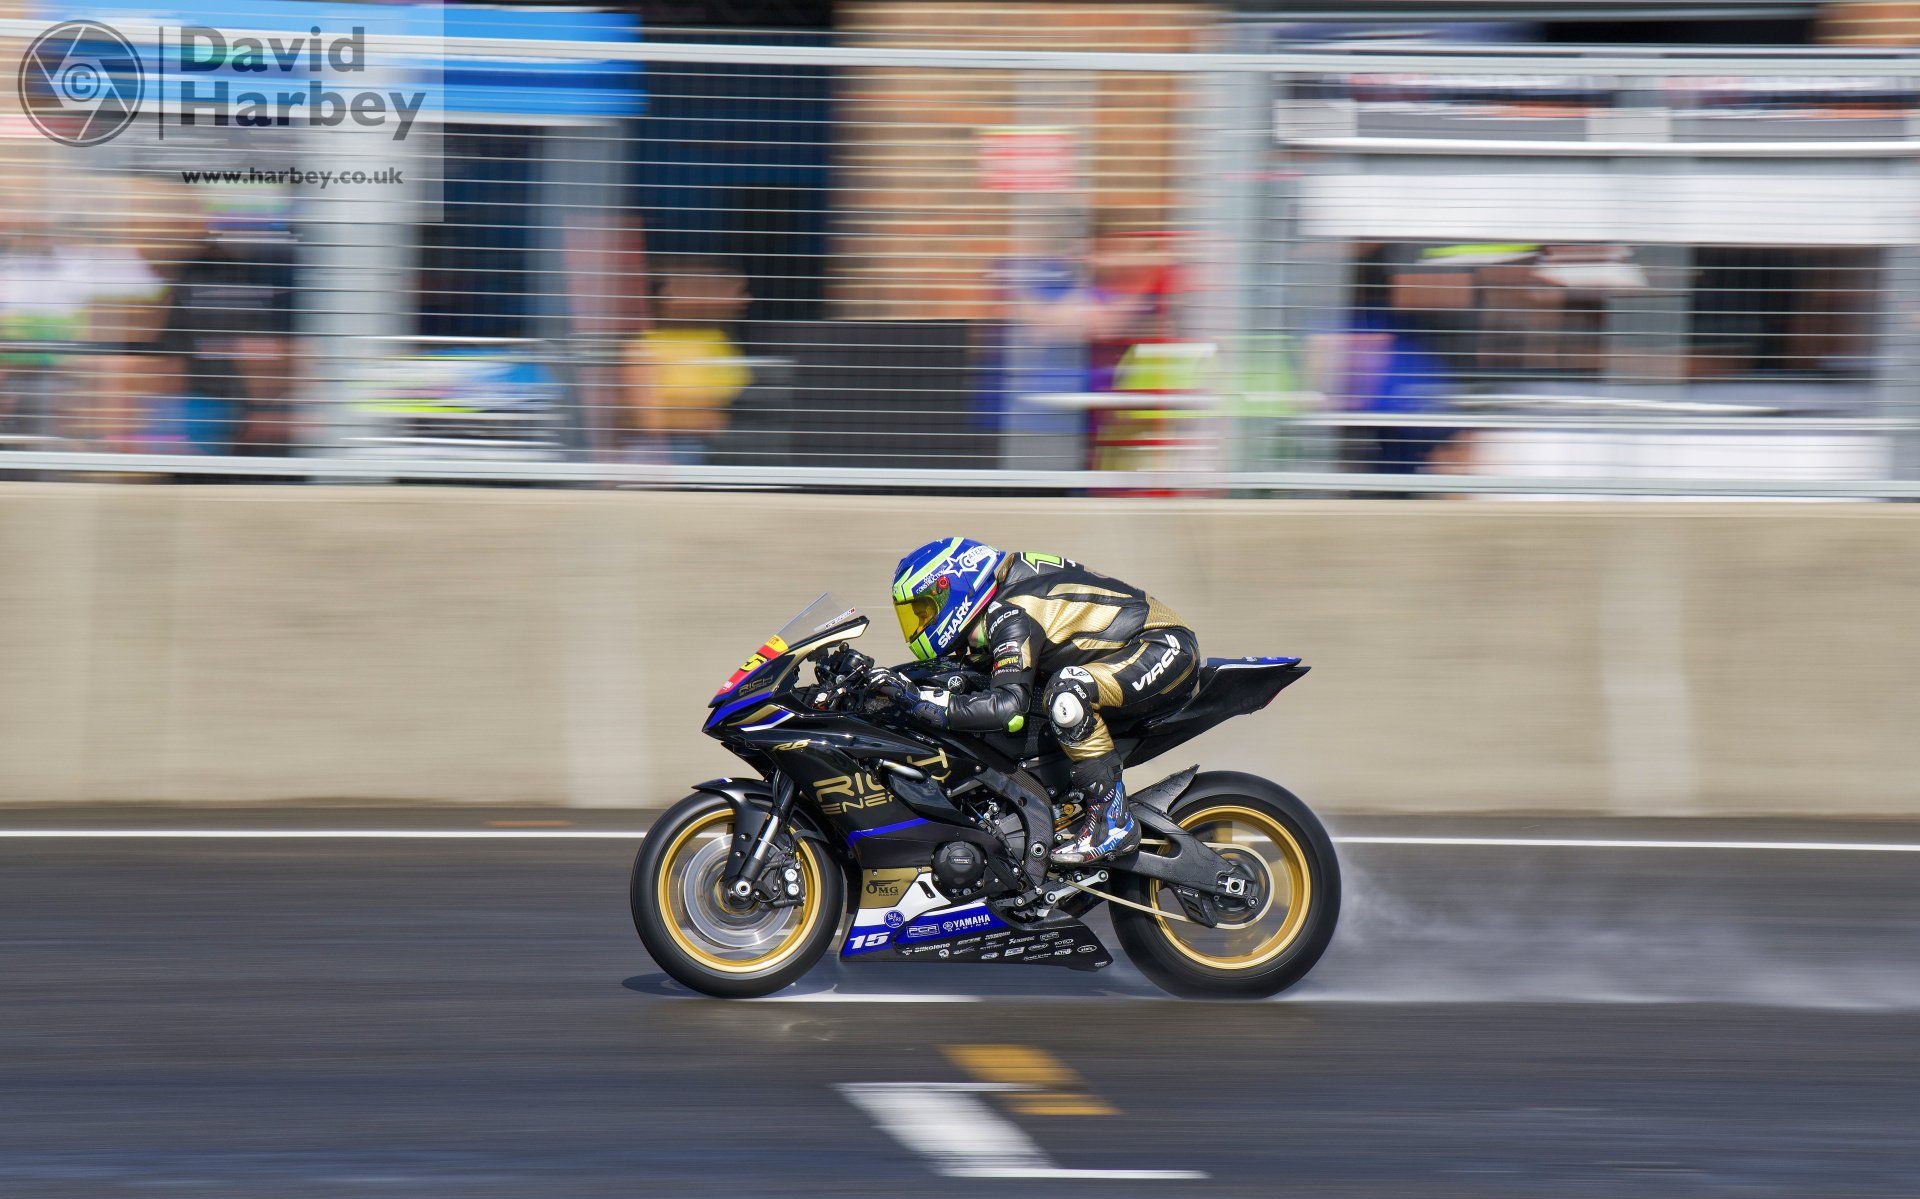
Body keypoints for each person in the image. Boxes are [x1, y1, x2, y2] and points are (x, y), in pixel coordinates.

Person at [879, 537, 1200, 865]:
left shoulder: (1010, 610)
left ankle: (1113, 821)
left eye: (925, 610)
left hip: (1162, 647)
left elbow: (1008, 708)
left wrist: (935, 707)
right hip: (1129, 652)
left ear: (954, 589)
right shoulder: (1002, 599)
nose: (921, 623)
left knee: (1067, 694)